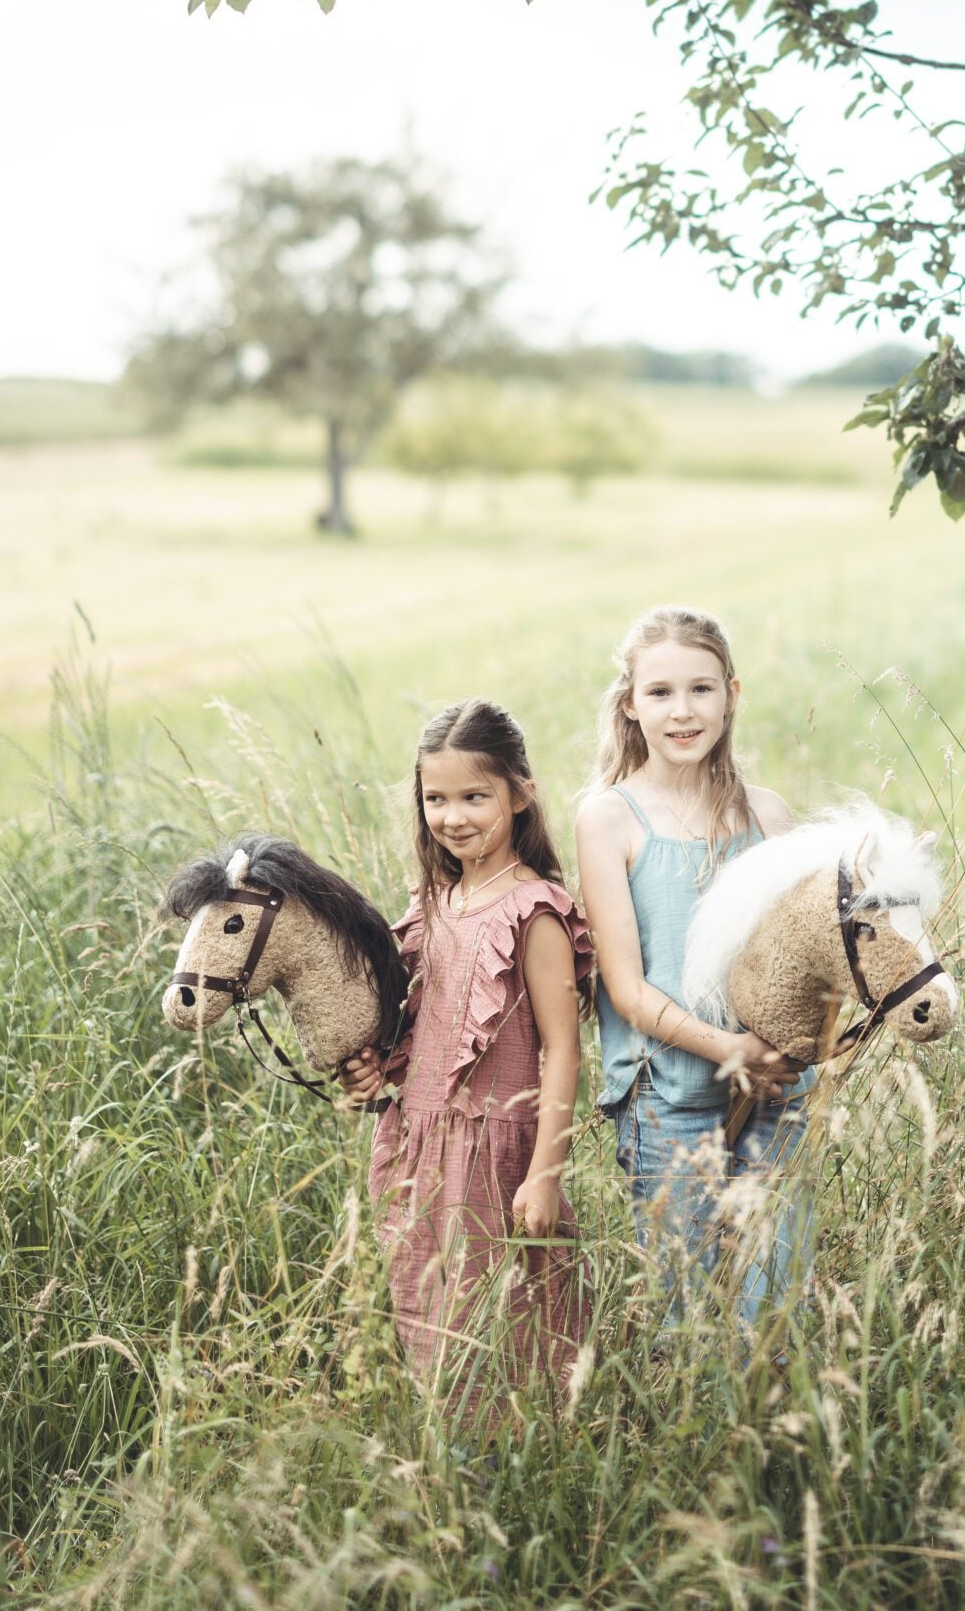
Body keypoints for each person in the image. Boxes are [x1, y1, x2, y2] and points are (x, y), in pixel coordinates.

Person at [343, 698, 592, 1411]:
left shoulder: (534, 909)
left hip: (493, 1155)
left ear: (520, 795)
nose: (454, 816)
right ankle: (451, 1468)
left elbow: (564, 1052)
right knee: (430, 1331)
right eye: (436, 799)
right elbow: (422, 1033)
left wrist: (544, 1176)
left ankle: (523, 1464)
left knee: (505, 1331)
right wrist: (375, 1071)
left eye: (475, 796)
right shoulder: (432, 905)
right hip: (418, 1146)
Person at [575, 604, 808, 1325]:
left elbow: (797, 960)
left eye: (702, 690)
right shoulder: (610, 818)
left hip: (773, 1086)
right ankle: (704, 1433)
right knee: (689, 1307)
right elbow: (629, 990)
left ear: (732, 695)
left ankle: (774, 1429)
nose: (683, 711)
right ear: (631, 705)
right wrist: (727, 1049)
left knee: (772, 1296)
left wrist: (779, 1051)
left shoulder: (768, 818)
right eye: (661, 692)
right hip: (666, 1093)